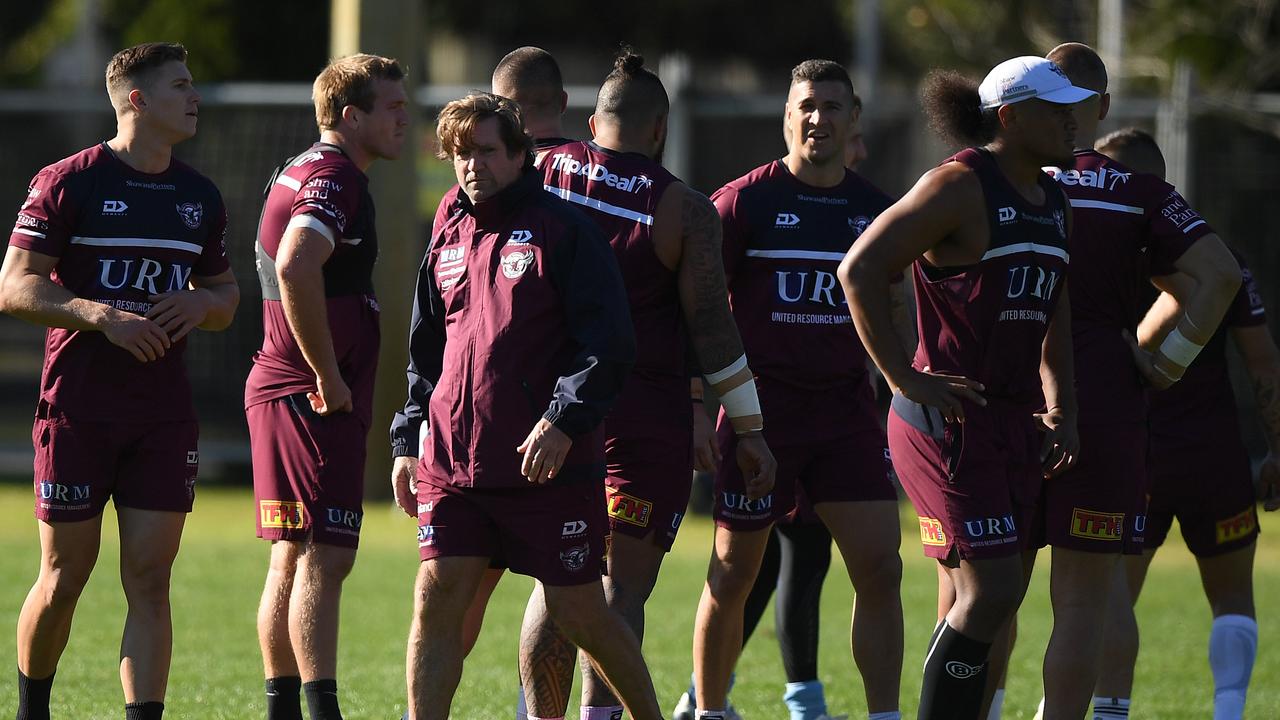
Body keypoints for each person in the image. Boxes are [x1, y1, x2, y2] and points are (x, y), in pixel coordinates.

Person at [514, 49, 776, 720]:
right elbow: (714, 333)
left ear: (595, 118)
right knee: (618, 590)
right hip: (639, 416)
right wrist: (747, 428)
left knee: (558, 577)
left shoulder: (540, 170)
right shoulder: (682, 209)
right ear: (659, 128)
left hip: (548, 409)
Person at [391, 91, 664, 720]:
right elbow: (424, 353)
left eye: (485, 151)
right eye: (459, 153)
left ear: (519, 154)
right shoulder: (447, 232)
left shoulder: (565, 232)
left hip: (546, 468)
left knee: (579, 612)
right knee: (437, 597)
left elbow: (610, 345)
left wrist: (563, 420)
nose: (470, 165)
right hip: (455, 468)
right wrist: (408, 440)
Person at [839, 56, 1091, 719]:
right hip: (946, 419)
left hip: (1011, 422)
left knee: (986, 600)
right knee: (994, 592)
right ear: (1009, 117)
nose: (1074, 118)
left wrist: (1061, 407)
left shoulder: (1056, 200)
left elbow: (1054, 311)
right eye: (1058, 106)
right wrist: (903, 377)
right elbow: (859, 269)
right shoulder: (958, 186)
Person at [0, 42, 238, 720]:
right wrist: (100, 316)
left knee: (151, 581)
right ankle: (32, 709)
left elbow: (225, 298)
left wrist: (200, 303)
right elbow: (13, 287)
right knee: (64, 576)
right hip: (77, 408)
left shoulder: (198, 195)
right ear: (137, 99)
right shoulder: (68, 181)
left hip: (162, 415)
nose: (195, 97)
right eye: (181, 86)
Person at [1027, 43, 1241, 720]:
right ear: (1103, 107)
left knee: (982, 589)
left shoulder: (998, 179)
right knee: (1094, 593)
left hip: (1012, 399)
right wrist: (1164, 363)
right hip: (1106, 405)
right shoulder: (1135, 192)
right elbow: (1221, 277)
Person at [689, 59, 904, 720]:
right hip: (761, 422)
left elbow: (895, 313)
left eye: (833, 107)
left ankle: (884, 714)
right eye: (806, 105)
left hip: (845, 418)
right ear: (787, 116)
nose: (818, 118)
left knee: (880, 568)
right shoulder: (742, 203)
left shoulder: (875, 211)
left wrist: (908, 390)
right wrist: (699, 407)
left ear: (853, 121)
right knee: (733, 574)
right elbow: (697, 311)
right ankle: (710, 710)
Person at [1087, 127, 1276, 720]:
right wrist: (1276, 449)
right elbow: (1263, 361)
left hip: (1133, 453)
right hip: (1213, 454)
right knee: (1232, 597)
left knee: (1107, 599)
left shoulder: (1096, 253)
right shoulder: (1216, 255)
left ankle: (1071, 706)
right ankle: (1229, 713)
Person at [244, 53, 408, 720]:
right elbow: (295, 263)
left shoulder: (310, 167)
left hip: (287, 388)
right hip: (309, 395)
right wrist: (328, 373)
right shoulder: (336, 175)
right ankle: (321, 711)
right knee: (324, 557)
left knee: (293, 555)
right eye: (393, 108)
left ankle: (287, 709)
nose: (405, 119)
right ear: (352, 116)